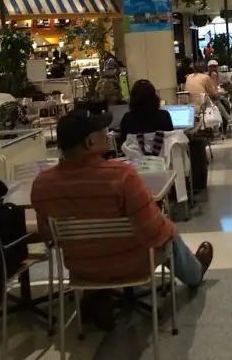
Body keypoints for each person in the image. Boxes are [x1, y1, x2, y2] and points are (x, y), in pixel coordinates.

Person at [31, 109, 214, 330]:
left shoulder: (42, 184)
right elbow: (151, 231)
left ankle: (97, 294)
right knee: (167, 232)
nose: (108, 135)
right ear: (89, 142)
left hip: (82, 269)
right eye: (102, 132)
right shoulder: (121, 176)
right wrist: (169, 229)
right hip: (133, 265)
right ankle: (195, 273)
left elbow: (48, 236)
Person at [118, 79, 173, 145]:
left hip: (135, 154)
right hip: (162, 154)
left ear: (133, 97)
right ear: (154, 97)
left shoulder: (127, 118)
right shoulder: (164, 115)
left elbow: (124, 142)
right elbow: (171, 139)